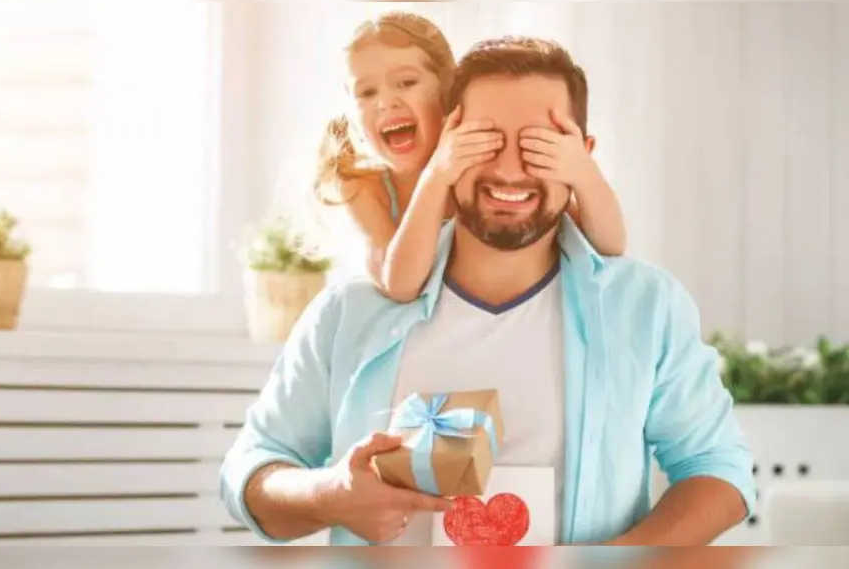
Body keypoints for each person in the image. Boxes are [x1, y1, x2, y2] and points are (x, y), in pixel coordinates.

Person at [219, 35, 755, 546]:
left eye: (540, 146)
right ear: (444, 150)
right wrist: (329, 494)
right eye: (483, 141)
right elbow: (251, 469)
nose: (509, 168)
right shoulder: (349, 312)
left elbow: (719, 473)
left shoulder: (645, 308)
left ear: (583, 154)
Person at [315, 12, 627, 302]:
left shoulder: (480, 166)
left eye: (407, 82)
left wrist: (583, 173)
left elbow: (610, 245)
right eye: (366, 93)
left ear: (448, 94)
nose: (386, 102)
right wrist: (436, 178)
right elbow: (399, 285)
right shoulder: (361, 185)